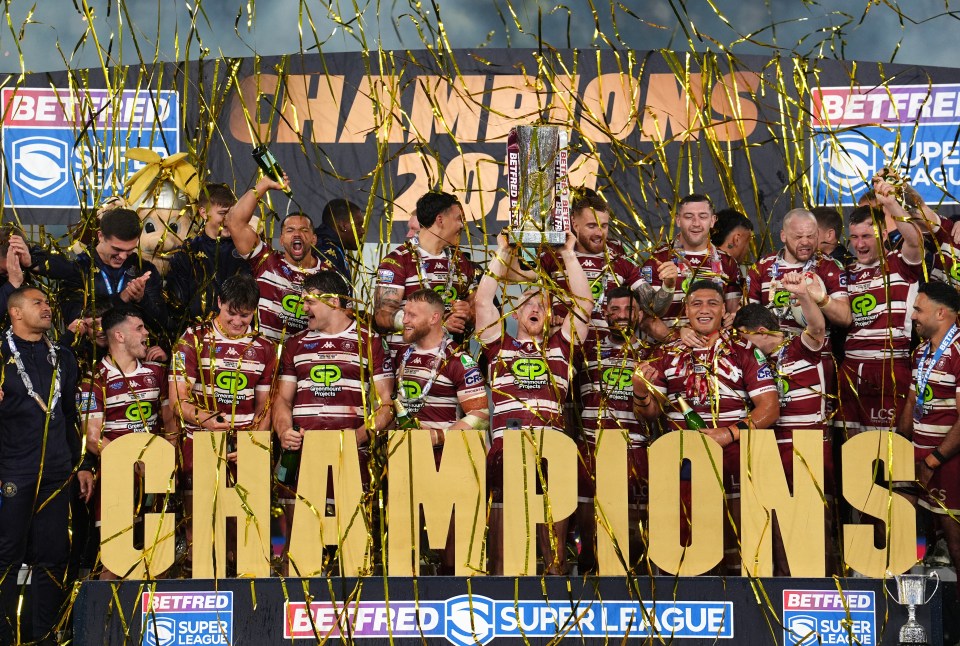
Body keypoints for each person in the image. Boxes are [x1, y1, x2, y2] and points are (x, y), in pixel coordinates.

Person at [633, 280, 779, 575]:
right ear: (685, 309)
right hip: (683, 461)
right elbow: (649, 414)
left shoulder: (744, 349)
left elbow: (770, 407)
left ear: (725, 310)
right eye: (696, 303)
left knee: (740, 540)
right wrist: (640, 391)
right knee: (686, 544)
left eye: (712, 303)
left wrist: (727, 434)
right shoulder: (667, 353)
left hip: (735, 457)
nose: (704, 309)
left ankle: (744, 601)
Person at [475, 230, 592, 575]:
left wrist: (569, 254)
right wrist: (502, 251)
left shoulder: (561, 347)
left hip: (550, 449)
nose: (535, 307)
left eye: (542, 303)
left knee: (553, 557)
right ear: (514, 311)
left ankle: (555, 588)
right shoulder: (499, 345)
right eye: (527, 302)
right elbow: (482, 303)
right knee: (502, 556)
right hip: (506, 448)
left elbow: (584, 304)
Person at [272, 271, 395, 559]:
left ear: (333, 301)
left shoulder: (371, 342)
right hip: (303, 456)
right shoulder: (295, 344)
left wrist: (358, 437)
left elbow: (386, 405)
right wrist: (283, 432)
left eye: (309, 302)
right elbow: (282, 401)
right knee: (293, 545)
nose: (303, 309)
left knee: (351, 547)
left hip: (351, 460)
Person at [0, 287, 93, 644]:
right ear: (16, 313)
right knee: (6, 557)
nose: (47, 307)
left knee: (54, 556)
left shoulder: (63, 357)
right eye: (37, 303)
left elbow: (70, 415)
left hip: (57, 472)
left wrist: (81, 464)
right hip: (12, 471)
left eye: (47, 302)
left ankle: (46, 636)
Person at [169, 274, 277, 569]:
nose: (238, 322)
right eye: (232, 312)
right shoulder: (191, 339)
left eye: (245, 315)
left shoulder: (265, 347)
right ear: (219, 302)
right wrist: (207, 420)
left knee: (241, 536)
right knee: (199, 531)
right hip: (199, 445)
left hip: (244, 448)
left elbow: (265, 408)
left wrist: (251, 446)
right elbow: (178, 400)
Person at [733, 275, 832, 576]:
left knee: (813, 525)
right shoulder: (749, 361)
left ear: (760, 332)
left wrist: (803, 295)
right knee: (774, 524)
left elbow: (817, 328)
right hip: (770, 451)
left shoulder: (798, 347)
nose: (739, 346)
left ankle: (822, 588)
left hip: (808, 450)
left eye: (742, 338)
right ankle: (781, 587)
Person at [393, 288, 489, 573]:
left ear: (435, 318)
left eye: (411, 315)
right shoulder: (401, 354)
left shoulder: (459, 359)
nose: (404, 320)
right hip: (406, 462)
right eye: (404, 313)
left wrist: (437, 436)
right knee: (404, 554)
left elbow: (480, 415)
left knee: (452, 555)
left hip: (445, 464)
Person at [79, 306, 175, 579]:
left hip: (155, 478)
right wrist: (132, 463)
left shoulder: (157, 374)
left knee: (159, 558)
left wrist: (165, 461)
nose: (147, 334)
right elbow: (92, 437)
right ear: (119, 336)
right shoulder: (93, 379)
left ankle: (156, 619)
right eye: (140, 328)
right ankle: (106, 621)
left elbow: (170, 423)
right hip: (117, 480)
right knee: (113, 563)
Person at [836, 182, 924, 436]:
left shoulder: (901, 263)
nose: (859, 244)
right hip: (851, 367)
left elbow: (916, 240)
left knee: (894, 448)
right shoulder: (846, 272)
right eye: (854, 237)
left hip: (890, 365)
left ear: (884, 234)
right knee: (850, 447)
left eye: (866, 236)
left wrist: (890, 204)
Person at [521, 187, 673, 330]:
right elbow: (523, 277)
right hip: (565, 340)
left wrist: (669, 284)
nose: (599, 232)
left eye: (603, 225)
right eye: (591, 225)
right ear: (574, 221)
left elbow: (653, 307)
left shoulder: (617, 256)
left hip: (609, 346)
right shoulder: (552, 254)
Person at [575, 285, 649, 573]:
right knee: (585, 510)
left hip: (635, 445)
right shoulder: (585, 347)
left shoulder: (651, 352)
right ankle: (587, 566)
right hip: (592, 443)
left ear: (639, 314)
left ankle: (634, 570)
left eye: (628, 310)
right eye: (614, 310)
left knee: (634, 514)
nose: (621, 316)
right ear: (604, 313)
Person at [225, 175, 331, 343]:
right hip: (266, 356)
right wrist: (264, 184)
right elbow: (234, 221)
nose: (297, 234)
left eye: (304, 230)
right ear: (281, 240)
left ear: (314, 239)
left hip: (305, 359)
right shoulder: (265, 260)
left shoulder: (328, 275)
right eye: (290, 230)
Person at [900, 281, 960, 573]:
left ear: (940, 314)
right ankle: (920, 612)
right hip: (917, 463)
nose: (912, 316)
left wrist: (933, 460)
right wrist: (898, 446)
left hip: (947, 465)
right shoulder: (921, 353)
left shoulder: (959, 353)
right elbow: (912, 402)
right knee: (915, 541)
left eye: (918, 310)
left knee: (956, 543)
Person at [374, 191, 477, 355]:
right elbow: (383, 315)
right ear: (440, 220)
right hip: (406, 361)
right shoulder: (398, 260)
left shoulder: (461, 262)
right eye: (458, 218)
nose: (462, 225)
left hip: (449, 362)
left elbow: (477, 309)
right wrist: (436, 324)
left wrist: (469, 313)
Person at [49, 208, 171, 345]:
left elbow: (163, 325)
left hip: (135, 360)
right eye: (117, 249)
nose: (123, 257)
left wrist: (142, 299)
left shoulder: (144, 269)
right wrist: (122, 298)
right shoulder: (78, 269)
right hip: (89, 360)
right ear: (100, 236)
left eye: (130, 250)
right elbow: (77, 320)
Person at [643, 194, 743, 339]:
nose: (696, 223)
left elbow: (734, 313)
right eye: (689, 217)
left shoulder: (728, 263)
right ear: (678, 220)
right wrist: (677, 340)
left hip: (714, 354)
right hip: (667, 355)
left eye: (702, 216)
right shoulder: (657, 260)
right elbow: (644, 317)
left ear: (712, 220)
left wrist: (733, 319)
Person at [747, 208, 852, 345]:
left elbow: (845, 319)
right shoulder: (761, 267)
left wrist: (822, 299)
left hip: (816, 357)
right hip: (772, 357)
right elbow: (749, 321)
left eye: (810, 236)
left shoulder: (829, 266)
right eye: (798, 237)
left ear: (818, 234)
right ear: (783, 236)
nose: (805, 242)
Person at [166, 182, 251, 325]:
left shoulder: (246, 249)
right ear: (203, 213)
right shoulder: (187, 253)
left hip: (238, 333)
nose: (229, 220)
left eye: (232, 214)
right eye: (223, 213)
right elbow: (176, 306)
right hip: (199, 337)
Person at [314, 198, 366, 281]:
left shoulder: (332, 247)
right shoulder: (326, 251)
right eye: (358, 225)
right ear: (343, 226)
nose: (363, 231)